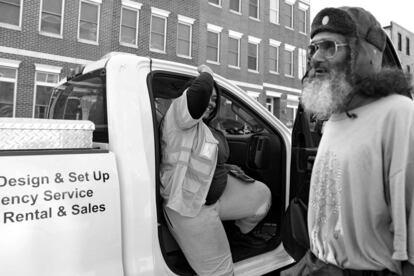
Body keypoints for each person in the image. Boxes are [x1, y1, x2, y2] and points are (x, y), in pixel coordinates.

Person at [282, 6, 414, 276]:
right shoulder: (335, 115)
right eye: (314, 48)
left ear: (365, 55)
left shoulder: (399, 113)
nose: (316, 57)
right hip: (315, 265)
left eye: (330, 47)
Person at [159, 64, 272, 275]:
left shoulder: (204, 126)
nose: (210, 103)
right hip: (190, 206)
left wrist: (225, 169)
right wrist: (207, 72)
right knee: (221, 273)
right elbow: (200, 91)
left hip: (212, 197)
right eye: (208, 98)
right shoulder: (179, 115)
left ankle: (237, 235)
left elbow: (202, 158)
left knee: (262, 196)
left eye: (214, 100)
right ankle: (210, 244)